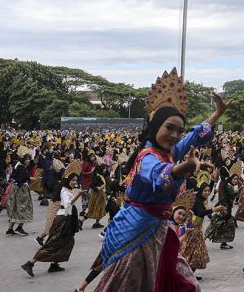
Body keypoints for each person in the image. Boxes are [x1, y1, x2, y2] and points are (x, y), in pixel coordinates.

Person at [94, 68, 229, 292]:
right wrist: (185, 166)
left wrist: (217, 114)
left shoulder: (169, 152)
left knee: (186, 285)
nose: (175, 135)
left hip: (160, 230)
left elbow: (194, 137)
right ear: (156, 125)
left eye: (179, 130)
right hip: (136, 232)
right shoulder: (146, 157)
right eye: (169, 128)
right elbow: (158, 174)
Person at [21, 165, 82, 277]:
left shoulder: (69, 189)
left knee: (68, 242)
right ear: (68, 179)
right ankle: (30, 263)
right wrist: (78, 195)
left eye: (76, 180)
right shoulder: (64, 190)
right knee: (53, 243)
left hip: (67, 219)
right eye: (72, 180)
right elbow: (67, 205)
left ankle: (54, 264)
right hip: (62, 220)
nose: (74, 182)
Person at [6, 154, 33, 237]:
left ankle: (10, 230)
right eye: (26, 159)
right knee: (25, 208)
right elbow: (20, 178)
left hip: (17, 189)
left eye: (29, 159)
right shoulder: (22, 168)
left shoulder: (19, 166)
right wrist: (29, 178)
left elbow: (14, 177)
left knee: (16, 209)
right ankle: (19, 228)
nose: (28, 160)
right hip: (22, 190)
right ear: (23, 160)